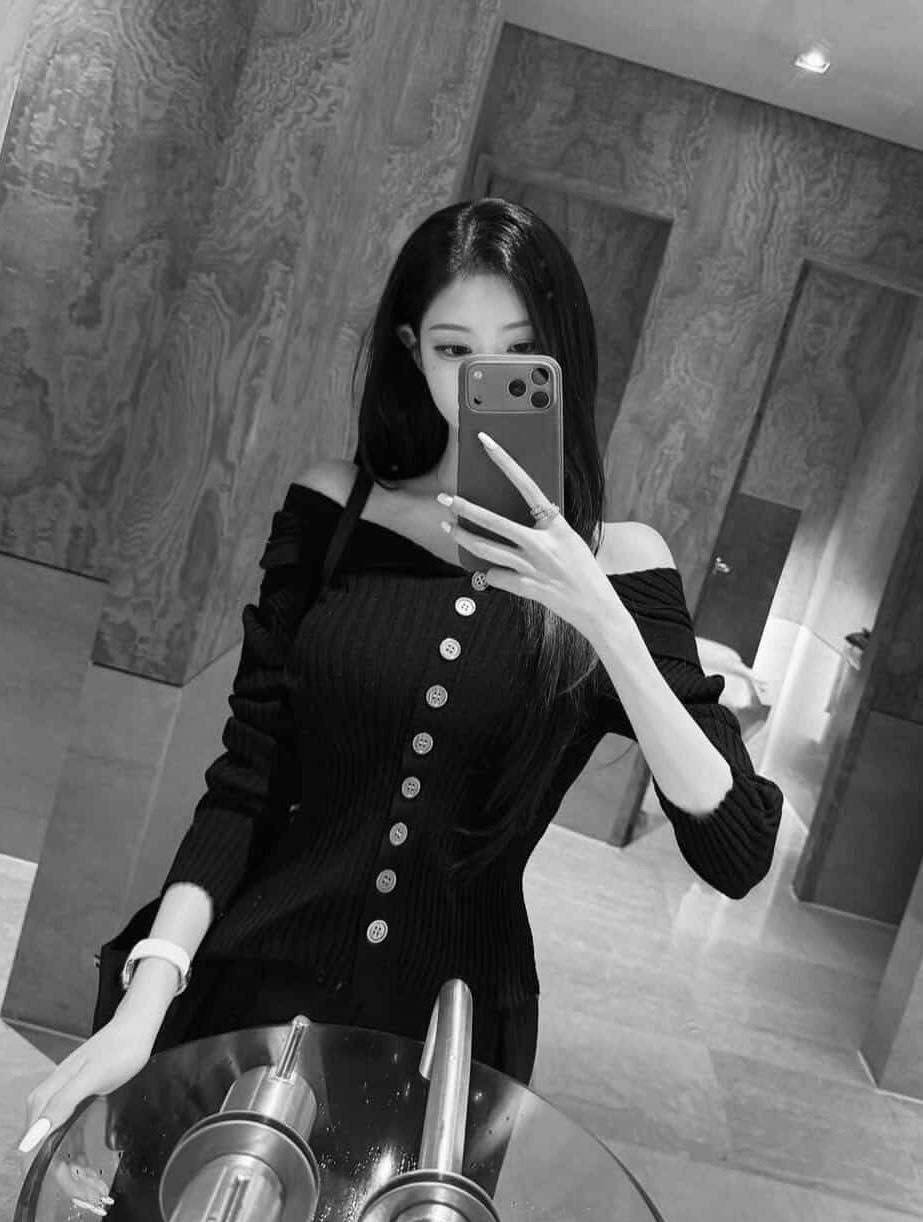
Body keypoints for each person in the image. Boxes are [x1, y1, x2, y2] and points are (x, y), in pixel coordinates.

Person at [19, 198, 783, 1165]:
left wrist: (600, 615)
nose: (481, 379)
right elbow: (248, 782)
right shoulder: (333, 511)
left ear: (560, 358)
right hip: (252, 987)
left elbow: (735, 849)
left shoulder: (620, 565)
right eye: (454, 350)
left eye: (517, 351)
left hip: (451, 1038)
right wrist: (147, 996)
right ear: (412, 352)